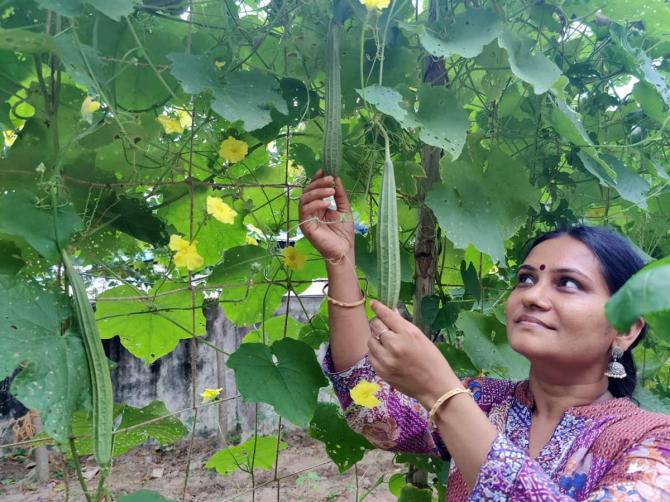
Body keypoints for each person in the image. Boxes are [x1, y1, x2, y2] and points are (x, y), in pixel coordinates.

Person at [298, 170, 670, 501]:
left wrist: (440, 392)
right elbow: (371, 408)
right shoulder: (487, 403)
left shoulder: (653, 441)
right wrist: (341, 261)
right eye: (526, 278)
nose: (533, 296)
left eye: (568, 283)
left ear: (625, 328)